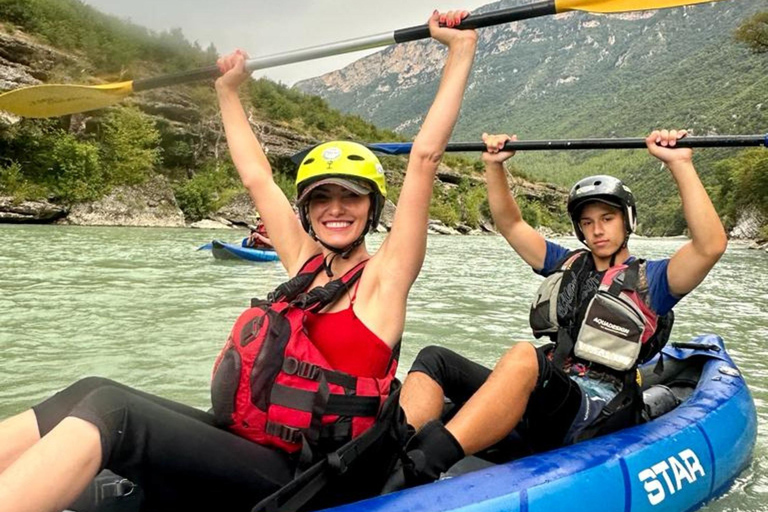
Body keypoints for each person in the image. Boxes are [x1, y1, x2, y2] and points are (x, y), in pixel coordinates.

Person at [0, 11, 478, 512]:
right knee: (92, 386)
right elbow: (257, 177)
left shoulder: (384, 280)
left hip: (312, 478)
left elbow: (424, 158)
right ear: (307, 212)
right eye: (321, 199)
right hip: (257, 448)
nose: (336, 209)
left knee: (115, 412)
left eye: (351, 197)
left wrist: (459, 51)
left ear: (373, 208)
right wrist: (228, 92)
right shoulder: (305, 267)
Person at [397, 129, 728, 484]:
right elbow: (510, 224)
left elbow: (710, 245)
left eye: (607, 218)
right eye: (587, 222)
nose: (597, 230)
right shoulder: (566, 262)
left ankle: (418, 468)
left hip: (598, 409)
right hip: (551, 397)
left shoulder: (654, 280)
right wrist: (494, 167)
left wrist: (680, 163)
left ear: (627, 220)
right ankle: (390, 449)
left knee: (526, 357)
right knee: (435, 359)